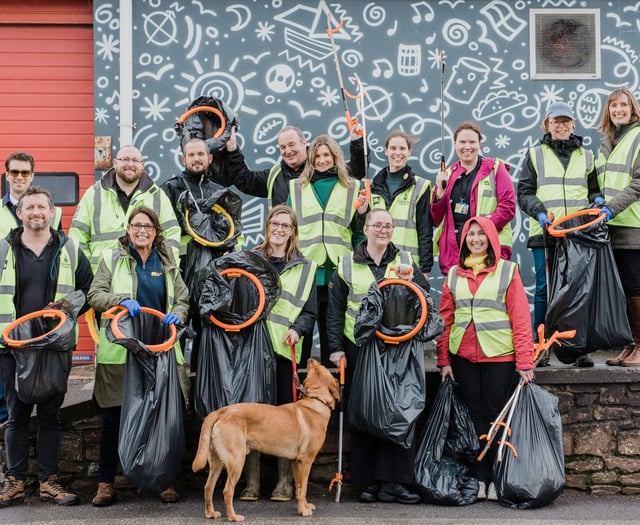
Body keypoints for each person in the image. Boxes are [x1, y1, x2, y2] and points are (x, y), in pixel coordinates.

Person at [87, 206, 189, 506]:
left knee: (161, 418)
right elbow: (95, 295)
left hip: (160, 350)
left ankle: (163, 481)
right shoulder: (112, 257)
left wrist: (177, 315)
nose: (142, 230)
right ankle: (105, 483)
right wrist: (120, 300)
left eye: (148, 226)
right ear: (128, 228)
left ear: (156, 232)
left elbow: (182, 298)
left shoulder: (168, 260)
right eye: (136, 225)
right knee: (113, 417)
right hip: (122, 350)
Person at [326, 208, 427, 504]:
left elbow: (424, 300)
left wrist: (414, 282)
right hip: (361, 347)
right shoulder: (346, 265)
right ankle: (367, 483)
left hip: (399, 347)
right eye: (377, 225)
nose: (383, 230)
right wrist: (335, 349)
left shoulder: (406, 261)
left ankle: (394, 483)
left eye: (388, 226)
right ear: (366, 228)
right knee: (365, 414)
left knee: (400, 413)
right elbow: (334, 312)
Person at [0, 186, 93, 507]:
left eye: (42, 206)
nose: (36, 212)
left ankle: (49, 482)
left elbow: (87, 288)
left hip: (54, 346)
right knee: (17, 415)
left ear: (53, 212)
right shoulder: (4, 250)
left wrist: (69, 304)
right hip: (13, 347)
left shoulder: (68, 249)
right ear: (20, 213)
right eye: (30, 207)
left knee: (51, 416)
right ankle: (14, 482)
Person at [438, 216, 535, 501]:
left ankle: (496, 475)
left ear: (491, 238)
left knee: (496, 417)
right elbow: (445, 320)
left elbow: (520, 319)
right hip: (463, 356)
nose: (476, 239)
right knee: (474, 418)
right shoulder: (454, 273)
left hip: (499, 356)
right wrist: (443, 359)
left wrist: (525, 361)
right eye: (471, 234)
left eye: (481, 234)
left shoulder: (507, 271)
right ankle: (480, 476)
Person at [239, 205, 317, 503]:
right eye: (275, 223)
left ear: (293, 231)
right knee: (255, 413)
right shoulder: (250, 259)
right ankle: (251, 483)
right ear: (267, 225)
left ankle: (284, 483)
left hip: (286, 350)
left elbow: (309, 311)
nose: (280, 229)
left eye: (286, 225)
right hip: (254, 350)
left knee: (286, 415)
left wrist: (297, 329)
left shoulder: (305, 266)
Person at [517, 101, 600, 367]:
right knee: (544, 289)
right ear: (547, 125)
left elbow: (594, 190)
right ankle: (541, 348)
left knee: (576, 291)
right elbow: (524, 192)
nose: (561, 125)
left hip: (577, 235)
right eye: (556, 121)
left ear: (573, 125)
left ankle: (575, 349)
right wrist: (540, 213)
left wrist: (598, 201)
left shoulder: (586, 156)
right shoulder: (535, 154)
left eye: (566, 121)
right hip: (545, 233)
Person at [161, 137, 242, 371]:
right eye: (192, 155)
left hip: (213, 273)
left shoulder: (221, 192)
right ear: (184, 159)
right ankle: (174, 383)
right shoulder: (171, 188)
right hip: (182, 271)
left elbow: (234, 233)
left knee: (208, 330)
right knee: (177, 327)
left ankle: (201, 384)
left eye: (201, 154)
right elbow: (164, 231)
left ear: (210, 158)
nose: (197, 159)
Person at [289, 134, 366, 366]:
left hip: (338, 271)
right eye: (317, 156)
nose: (322, 160)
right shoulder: (296, 188)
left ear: (336, 157)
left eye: (327, 155)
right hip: (306, 272)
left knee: (333, 335)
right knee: (300, 330)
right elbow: (289, 228)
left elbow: (359, 233)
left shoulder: (351, 187)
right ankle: (300, 388)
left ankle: (332, 391)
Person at [69, 144, 181, 272]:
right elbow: (77, 237)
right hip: (103, 279)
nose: (130, 164)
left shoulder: (157, 195)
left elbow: (171, 235)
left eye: (135, 160)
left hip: (145, 277)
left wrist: (166, 270)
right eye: (125, 159)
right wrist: (86, 272)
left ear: (142, 165)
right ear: (115, 163)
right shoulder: (94, 193)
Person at [431, 121, 517, 276]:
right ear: (455, 144)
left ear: (479, 144)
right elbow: (435, 219)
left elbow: (508, 207)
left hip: (490, 250)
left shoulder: (495, 168)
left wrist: (481, 231)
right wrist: (439, 193)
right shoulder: (447, 175)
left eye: (472, 142)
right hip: (456, 254)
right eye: (463, 142)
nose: (467, 146)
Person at [594, 87, 640, 367]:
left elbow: (638, 183)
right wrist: (599, 198)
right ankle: (629, 345)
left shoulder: (637, 137)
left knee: (636, 287)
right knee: (622, 288)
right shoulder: (607, 141)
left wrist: (612, 206)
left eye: (623, 105)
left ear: (633, 108)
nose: (618, 109)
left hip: (633, 223)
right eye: (613, 106)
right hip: (611, 226)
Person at [222, 124, 367, 208]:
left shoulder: (322, 168)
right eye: (283, 147)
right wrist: (232, 149)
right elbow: (244, 180)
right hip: (286, 252)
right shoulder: (274, 175)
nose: (288, 151)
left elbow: (356, 171)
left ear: (304, 143)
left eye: (291, 145)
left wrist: (357, 141)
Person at [368, 129, 433, 280]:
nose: (398, 153)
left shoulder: (420, 186)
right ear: (385, 151)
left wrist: (425, 268)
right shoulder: (372, 188)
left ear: (409, 151)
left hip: (408, 265)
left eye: (402, 148)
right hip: (378, 264)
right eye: (393, 148)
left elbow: (425, 230)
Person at [2, 151, 62, 238]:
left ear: (32, 176)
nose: (19, 177)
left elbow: (59, 247)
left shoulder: (54, 213)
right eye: (14, 172)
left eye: (25, 173)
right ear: (7, 176)